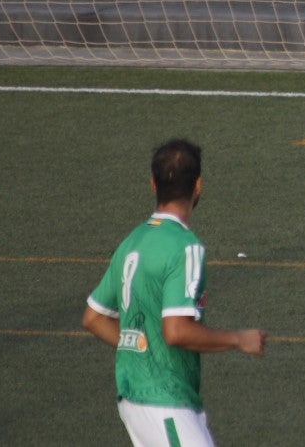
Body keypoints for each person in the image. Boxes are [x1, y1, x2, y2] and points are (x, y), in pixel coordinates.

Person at [82, 139, 267, 446]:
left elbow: (94, 317)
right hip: (164, 401)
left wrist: (142, 348)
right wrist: (238, 339)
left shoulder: (133, 241)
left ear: (153, 184)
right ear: (198, 186)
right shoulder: (186, 247)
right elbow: (177, 331)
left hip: (136, 397)